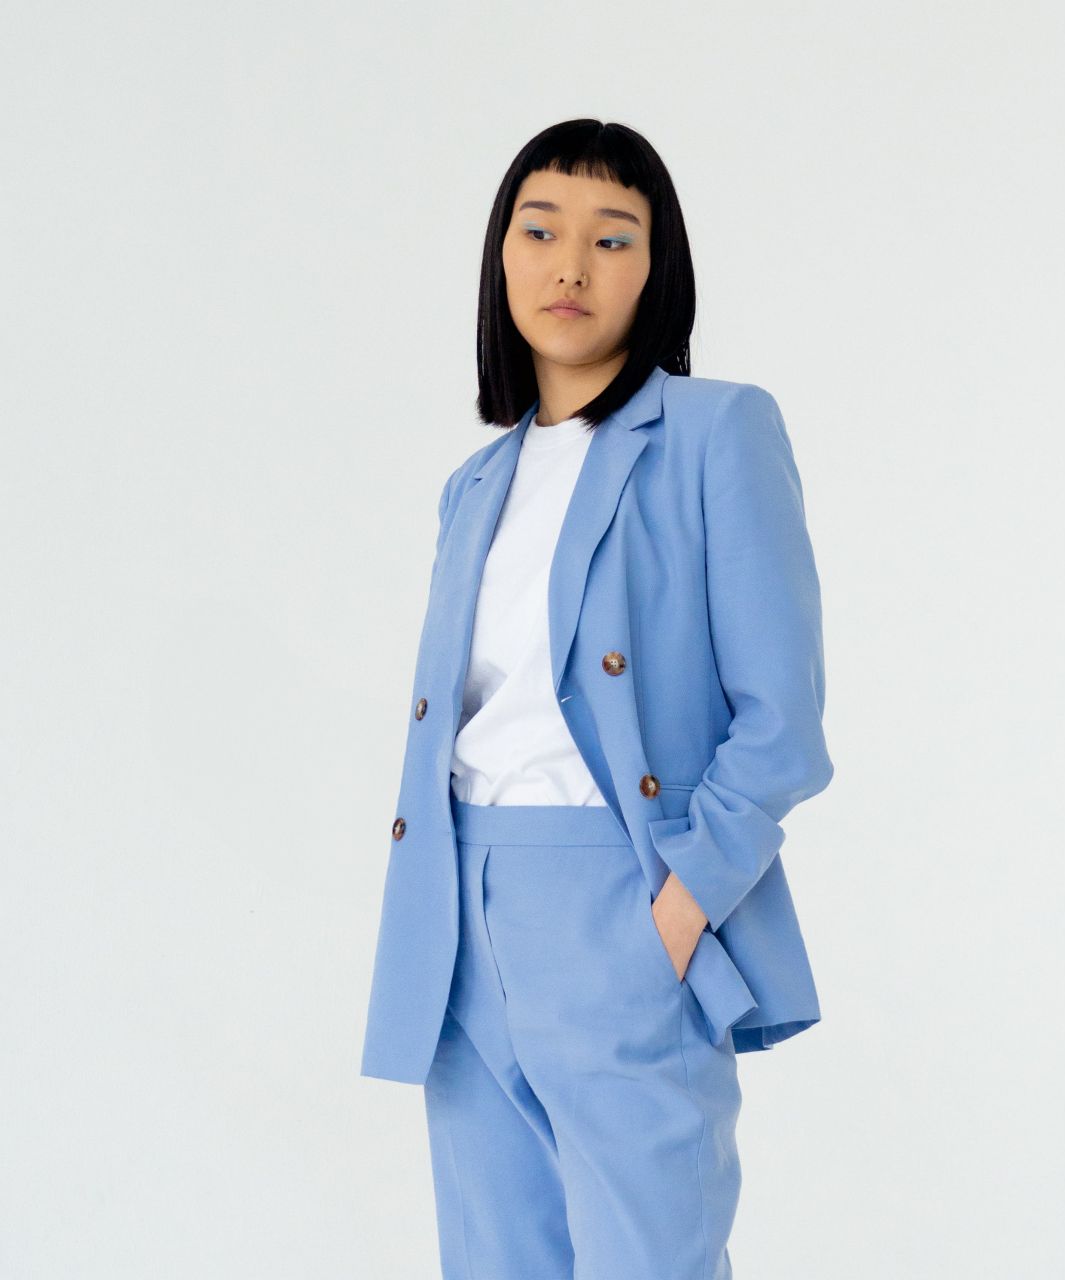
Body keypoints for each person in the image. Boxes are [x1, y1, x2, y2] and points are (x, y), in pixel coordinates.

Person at [360, 118, 835, 1280]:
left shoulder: (715, 433)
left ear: (655, 269)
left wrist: (678, 903)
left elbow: (781, 720)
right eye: (540, 231)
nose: (569, 264)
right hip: (457, 918)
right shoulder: (473, 484)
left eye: (611, 238)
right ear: (500, 256)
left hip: (619, 897)